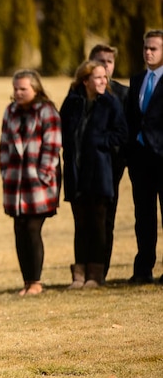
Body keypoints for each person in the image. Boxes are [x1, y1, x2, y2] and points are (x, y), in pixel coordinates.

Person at [60, 61, 127, 289]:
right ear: (85, 80)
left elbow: (121, 134)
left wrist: (100, 143)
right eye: (97, 77)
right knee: (80, 224)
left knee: (98, 224)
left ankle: (95, 275)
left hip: (99, 172)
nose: (102, 81)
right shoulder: (71, 102)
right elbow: (63, 131)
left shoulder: (111, 103)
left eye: (104, 77)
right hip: (75, 173)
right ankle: (79, 275)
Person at [0, 70, 62, 296]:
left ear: (35, 89)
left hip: (39, 186)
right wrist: (5, 172)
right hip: (15, 184)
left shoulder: (47, 111)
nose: (18, 92)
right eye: (15, 88)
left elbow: (52, 146)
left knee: (33, 229)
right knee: (19, 230)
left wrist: (43, 175)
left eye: (23, 89)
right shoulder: (10, 111)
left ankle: (36, 281)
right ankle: (26, 281)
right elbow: (4, 145)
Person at [124, 30, 163, 284]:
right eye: (146, 48)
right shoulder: (137, 79)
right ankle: (143, 269)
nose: (148, 52)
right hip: (140, 160)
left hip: (162, 157)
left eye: (154, 48)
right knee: (144, 216)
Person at [88, 45, 129, 279]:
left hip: (112, 166)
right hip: (86, 167)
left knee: (107, 219)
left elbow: (125, 132)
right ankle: (85, 269)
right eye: (100, 61)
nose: (105, 66)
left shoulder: (123, 94)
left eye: (109, 62)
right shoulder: (79, 93)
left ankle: (101, 270)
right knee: (85, 220)